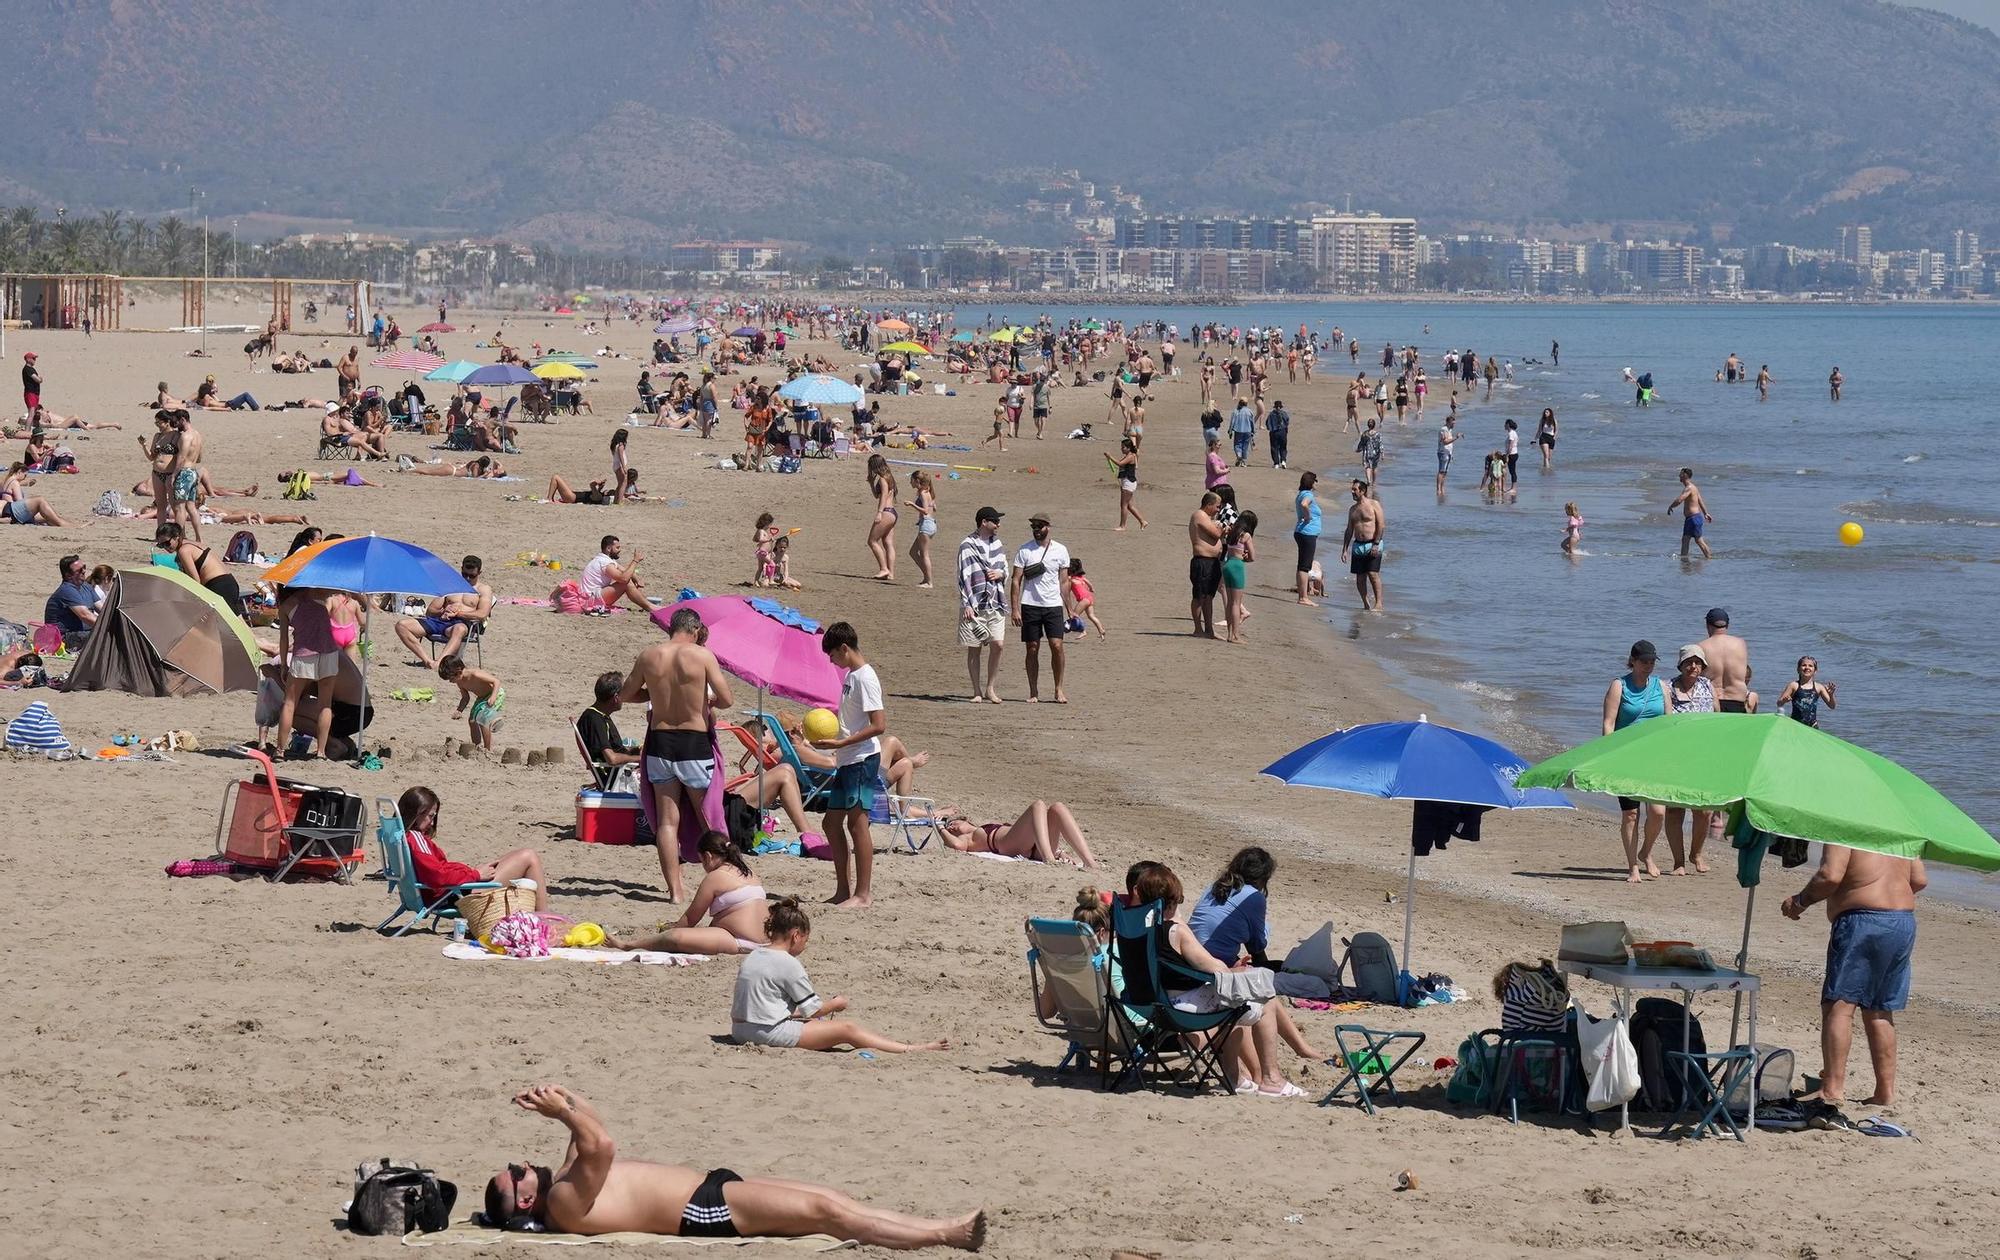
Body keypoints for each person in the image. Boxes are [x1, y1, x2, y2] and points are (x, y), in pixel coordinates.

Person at [483, 1084, 983, 1247]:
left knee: (831, 1199)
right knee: (825, 1213)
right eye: (517, 1170)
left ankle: (938, 1226)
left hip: (711, 1187)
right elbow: (603, 1144)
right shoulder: (565, 1205)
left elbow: (586, 1125)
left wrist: (558, 1098)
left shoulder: (566, 1179)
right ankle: (947, 1234)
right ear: (525, 1200)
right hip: (703, 1211)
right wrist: (565, 1114)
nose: (524, 1163)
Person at [1122, 864, 1320, 1098]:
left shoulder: (1130, 926)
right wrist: (1182, 924)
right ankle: (1270, 1079)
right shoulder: (1175, 931)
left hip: (1141, 1002)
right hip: (1179, 1008)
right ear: (1172, 902)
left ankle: (1235, 1076)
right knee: (1262, 998)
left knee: (1234, 999)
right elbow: (1215, 968)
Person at [1783, 845, 1924, 1107]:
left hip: (1862, 921)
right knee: (1879, 1010)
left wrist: (1799, 901)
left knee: (1839, 1006)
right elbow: (1918, 879)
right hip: (1901, 921)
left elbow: (1830, 876)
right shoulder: (1902, 830)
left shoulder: (1847, 824)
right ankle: (1885, 1092)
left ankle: (1833, 1088)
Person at [730, 898, 946, 1051]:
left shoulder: (754, 955)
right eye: (805, 939)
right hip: (765, 1033)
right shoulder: (788, 963)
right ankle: (910, 1048)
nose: (805, 945)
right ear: (796, 935)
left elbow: (764, 1004)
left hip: (739, 1030)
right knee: (847, 1029)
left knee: (812, 1022)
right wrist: (836, 1003)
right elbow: (813, 1010)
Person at [620, 607, 733, 900]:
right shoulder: (701, 655)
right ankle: (723, 884)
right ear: (695, 630)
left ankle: (675, 892)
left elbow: (626, 693)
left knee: (667, 822)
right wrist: (704, 698)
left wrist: (656, 692)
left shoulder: (649, 655)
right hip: (693, 742)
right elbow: (727, 699)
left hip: (660, 741)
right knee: (707, 815)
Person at [810, 622, 884, 907]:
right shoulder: (853, 676)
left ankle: (863, 894)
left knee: (857, 825)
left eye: (832, 655)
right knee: (831, 823)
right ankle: (843, 890)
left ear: (845, 649)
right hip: (848, 759)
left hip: (862, 759)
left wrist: (842, 743)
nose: (831, 661)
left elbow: (879, 725)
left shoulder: (866, 677)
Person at [608, 832, 767, 955]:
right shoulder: (749, 873)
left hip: (739, 941)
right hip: (767, 940)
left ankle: (628, 945)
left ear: (708, 856)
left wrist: (673, 930)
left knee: (676, 937)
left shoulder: (716, 877)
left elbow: (691, 918)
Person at [397, 786, 548, 911]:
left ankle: (542, 918)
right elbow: (437, 876)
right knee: (529, 857)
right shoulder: (415, 839)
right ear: (417, 814)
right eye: (431, 816)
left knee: (513, 857)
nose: (432, 822)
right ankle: (545, 918)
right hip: (452, 895)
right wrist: (475, 874)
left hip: (450, 890)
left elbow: (437, 871)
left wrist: (471, 872)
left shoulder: (402, 837)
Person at [1600, 641, 1668, 882]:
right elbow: (1609, 723)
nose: (1648, 666)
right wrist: (1609, 756)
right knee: (1631, 815)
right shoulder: (1619, 686)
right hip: (1625, 757)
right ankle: (1633, 867)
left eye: (1651, 662)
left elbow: (1669, 724)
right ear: (1633, 660)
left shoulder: (1661, 686)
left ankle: (1646, 852)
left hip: (1655, 757)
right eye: (1644, 661)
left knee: (1658, 813)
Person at [1008, 513, 1071, 703]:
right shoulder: (1025, 550)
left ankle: (1058, 689)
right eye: (1034, 527)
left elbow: (1064, 581)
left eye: (1040, 526)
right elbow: (1016, 580)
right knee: (1032, 648)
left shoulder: (1061, 550)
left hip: (1053, 605)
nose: (1036, 530)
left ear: (1048, 527)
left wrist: (1070, 608)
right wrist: (1015, 608)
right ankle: (1033, 690)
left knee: (1057, 646)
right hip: (1030, 604)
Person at [935, 800, 1099, 867]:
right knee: (1038, 805)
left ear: (966, 820)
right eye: (950, 828)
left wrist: (1060, 852)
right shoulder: (968, 838)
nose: (952, 827)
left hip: (1035, 847)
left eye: (953, 822)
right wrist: (939, 826)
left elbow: (1035, 830)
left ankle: (1090, 862)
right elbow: (955, 845)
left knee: (1057, 807)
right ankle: (1049, 859)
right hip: (1009, 845)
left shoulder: (977, 827)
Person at [394, 555, 493, 663]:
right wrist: (444, 611)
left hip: (462, 623)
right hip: (441, 620)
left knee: (459, 629)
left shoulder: (483, 590)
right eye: (465, 574)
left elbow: (482, 614)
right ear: (461, 569)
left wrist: (457, 614)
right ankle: (427, 661)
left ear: (479, 573)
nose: (467, 578)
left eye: (472, 575)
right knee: (401, 626)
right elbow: (431, 610)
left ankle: (440, 663)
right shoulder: (451, 585)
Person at [956, 506, 1008, 703]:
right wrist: (967, 603)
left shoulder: (997, 544)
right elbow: (963, 576)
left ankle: (990, 688)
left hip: (995, 600)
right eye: (995, 521)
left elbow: (1004, 566)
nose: (998, 525)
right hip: (974, 603)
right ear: (984, 522)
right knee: (974, 647)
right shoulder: (967, 545)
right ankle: (977, 690)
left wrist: (1001, 574)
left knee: (998, 644)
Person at [154, 522, 244, 614]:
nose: (165, 547)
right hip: (229, 583)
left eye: (167, 543)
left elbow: (195, 582)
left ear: (176, 537)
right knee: (237, 623)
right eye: (161, 545)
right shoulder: (194, 544)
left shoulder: (184, 551)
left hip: (218, 586)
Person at [576, 670, 642, 791]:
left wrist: (635, 750)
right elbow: (612, 759)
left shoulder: (597, 716)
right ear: (616, 698)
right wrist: (639, 759)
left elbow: (611, 749)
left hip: (619, 772)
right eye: (625, 693)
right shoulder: (595, 720)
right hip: (618, 778)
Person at [440, 654, 506, 751]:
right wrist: (459, 710)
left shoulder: (475, 674)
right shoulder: (460, 682)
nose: (450, 681)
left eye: (451, 678)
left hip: (495, 693)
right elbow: (465, 697)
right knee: (472, 721)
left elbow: (496, 681)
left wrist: (493, 697)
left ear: (458, 672)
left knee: (483, 719)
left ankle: (487, 749)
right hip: (481, 698)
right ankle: (476, 746)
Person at [1340, 479, 1385, 611]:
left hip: (1373, 543)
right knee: (1360, 578)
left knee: (1372, 574)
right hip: (1358, 546)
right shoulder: (1353, 509)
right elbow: (1349, 530)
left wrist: (1376, 544)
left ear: (1363, 491)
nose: (1352, 492)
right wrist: (1344, 549)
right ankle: (1365, 603)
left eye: (1355, 489)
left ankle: (1379, 603)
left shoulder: (1374, 505)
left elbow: (1381, 525)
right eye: (1352, 490)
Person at [1695, 607, 1751, 711]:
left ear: (1707, 625)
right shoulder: (1741, 644)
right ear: (1727, 625)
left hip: (1711, 701)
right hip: (1737, 700)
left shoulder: (1700, 646)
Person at [1187, 492, 1223, 638]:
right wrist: (1222, 528)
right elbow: (1216, 534)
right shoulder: (1199, 515)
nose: (1218, 510)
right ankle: (1198, 629)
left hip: (1212, 562)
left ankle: (1209, 630)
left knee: (1209, 597)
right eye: (1217, 506)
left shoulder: (1208, 518)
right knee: (1199, 596)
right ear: (1209, 505)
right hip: (1202, 561)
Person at [582, 535, 650, 613]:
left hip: (591, 598)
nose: (620, 550)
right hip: (591, 600)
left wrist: (637, 580)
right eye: (617, 548)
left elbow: (625, 570)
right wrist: (635, 561)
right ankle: (650, 607)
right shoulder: (605, 562)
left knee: (627, 579)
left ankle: (649, 605)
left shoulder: (604, 559)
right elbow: (624, 578)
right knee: (625, 582)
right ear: (608, 548)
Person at [43, 555, 100, 647]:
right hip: (63, 638)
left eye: (84, 567)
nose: (84, 571)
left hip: (82, 633)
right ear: (68, 575)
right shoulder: (66, 590)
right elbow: (86, 616)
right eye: (79, 570)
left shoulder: (86, 587)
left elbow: (104, 609)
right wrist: (110, 626)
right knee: (104, 636)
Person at [1221, 510, 1257, 643]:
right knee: (1236, 604)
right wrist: (1246, 558)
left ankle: (1230, 634)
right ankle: (1235, 636)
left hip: (1227, 564)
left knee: (1230, 603)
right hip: (1237, 566)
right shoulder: (1246, 535)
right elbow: (1252, 557)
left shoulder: (1232, 532)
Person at [1777, 655, 1837, 727]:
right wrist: (1784, 700)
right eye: (1804, 665)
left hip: (1812, 726)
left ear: (1815, 671)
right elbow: (1779, 703)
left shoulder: (1819, 687)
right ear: (1798, 669)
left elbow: (1832, 706)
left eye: (1810, 666)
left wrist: (1831, 695)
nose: (1807, 667)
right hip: (1795, 724)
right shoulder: (1793, 685)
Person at [864, 454, 897, 581]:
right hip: (892, 512)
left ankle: (884, 569)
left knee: (872, 541)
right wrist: (872, 484)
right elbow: (877, 496)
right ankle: (891, 573)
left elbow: (883, 496)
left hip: (886, 512)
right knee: (888, 543)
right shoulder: (889, 477)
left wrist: (879, 512)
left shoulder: (883, 479)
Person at [1668, 467, 1713, 559]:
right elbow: (1700, 501)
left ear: (1685, 475)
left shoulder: (1689, 488)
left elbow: (1680, 499)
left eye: (1680, 474)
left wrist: (1671, 506)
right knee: (1685, 540)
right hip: (1692, 518)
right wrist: (1705, 513)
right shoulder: (1694, 487)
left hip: (1694, 518)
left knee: (1699, 540)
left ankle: (1709, 558)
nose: (1679, 476)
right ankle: (1684, 560)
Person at [905, 470, 938, 588]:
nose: (910, 482)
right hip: (929, 524)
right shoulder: (927, 492)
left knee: (924, 554)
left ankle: (929, 582)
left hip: (926, 525)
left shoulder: (924, 493)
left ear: (917, 481)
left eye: (911, 480)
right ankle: (926, 578)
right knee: (913, 552)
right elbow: (934, 507)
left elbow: (924, 511)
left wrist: (911, 504)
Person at [1067, 557, 1104, 638]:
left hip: (1084, 599)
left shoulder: (1071, 580)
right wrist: (1091, 589)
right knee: (1091, 616)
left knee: (1074, 615)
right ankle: (1101, 631)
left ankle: (1083, 631)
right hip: (1090, 598)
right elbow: (1090, 585)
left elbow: (1067, 591)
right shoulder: (1082, 578)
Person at [1227, 396, 1256, 466]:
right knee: (1245, 446)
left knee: (1237, 445)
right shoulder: (1249, 411)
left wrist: (1230, 431)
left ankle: (1239, 456)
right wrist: (1253, 431)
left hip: (1238, 430)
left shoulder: (1236, 411)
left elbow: (1232, 422)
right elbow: (1252, 422)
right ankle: (1243, 461)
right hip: (1248, 431)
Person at [1434, 414, 1458, 495]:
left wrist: (1451, 453)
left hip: (1448, 452)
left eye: (1454, 423)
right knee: (1441, 471)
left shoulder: (1449, 430)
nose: (1453, 425)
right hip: (1443, 452)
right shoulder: (1443, 430)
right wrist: (1456, 437)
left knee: (1445, 472)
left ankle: (1442, 487)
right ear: (1448, 422)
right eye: (1452, 423)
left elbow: (1449, 443)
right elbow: (1445, 442)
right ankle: (1438, 489)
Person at [1264, 398, 1290, 469]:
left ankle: (1276, 463)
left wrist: (1270, 428)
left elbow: (1267, 423)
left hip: (1274, 432)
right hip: (1283, 432)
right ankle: (1283, 461)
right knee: (1283, 447)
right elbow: (1287, 421)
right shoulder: (1284, 413)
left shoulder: (1271, 414)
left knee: (1274, 447)